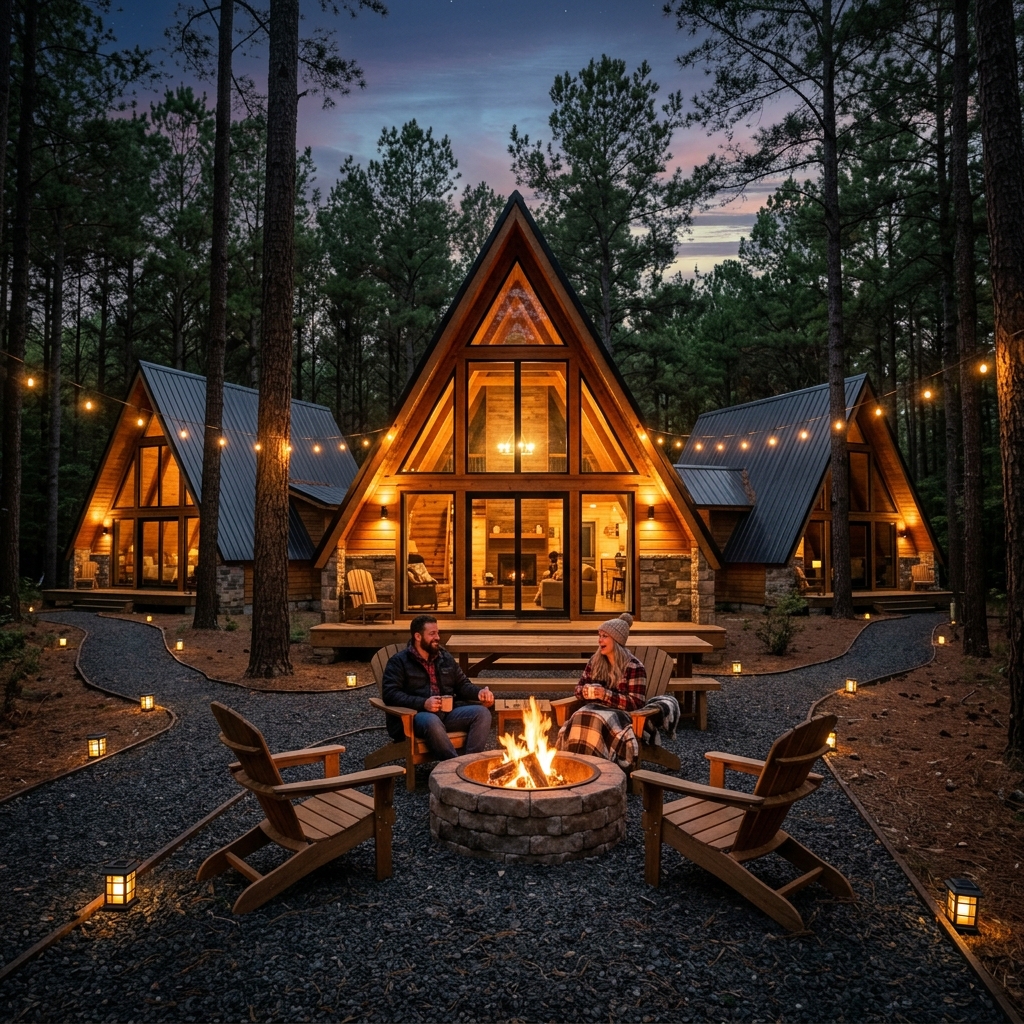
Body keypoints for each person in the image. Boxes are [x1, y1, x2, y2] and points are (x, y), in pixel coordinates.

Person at [381, 614, 494, 759]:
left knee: (482, 713)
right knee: (431, 720)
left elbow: (462, 684)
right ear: (418, 636)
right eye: (432, 634)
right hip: (416, 717)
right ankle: (453, 766)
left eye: (438, 633)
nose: (437, 637)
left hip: (446, 714)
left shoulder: (444, 657)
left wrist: (479, 693)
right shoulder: (399, 662)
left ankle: (468, 763)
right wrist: (423, 703)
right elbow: (390, 694)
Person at [555, 612, 647, 767]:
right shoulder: (596, 661)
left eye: (605, 636)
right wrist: (585, 691)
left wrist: (606, 695)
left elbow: (637, 703)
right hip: (593, 708)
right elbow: (578, 688)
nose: (600, 640)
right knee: (579, 715)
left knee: (597, 720)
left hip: (621, 715)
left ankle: (600, 765)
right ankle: (575, 764)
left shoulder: (634, 666)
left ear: (616, 640)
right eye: (599, 635)